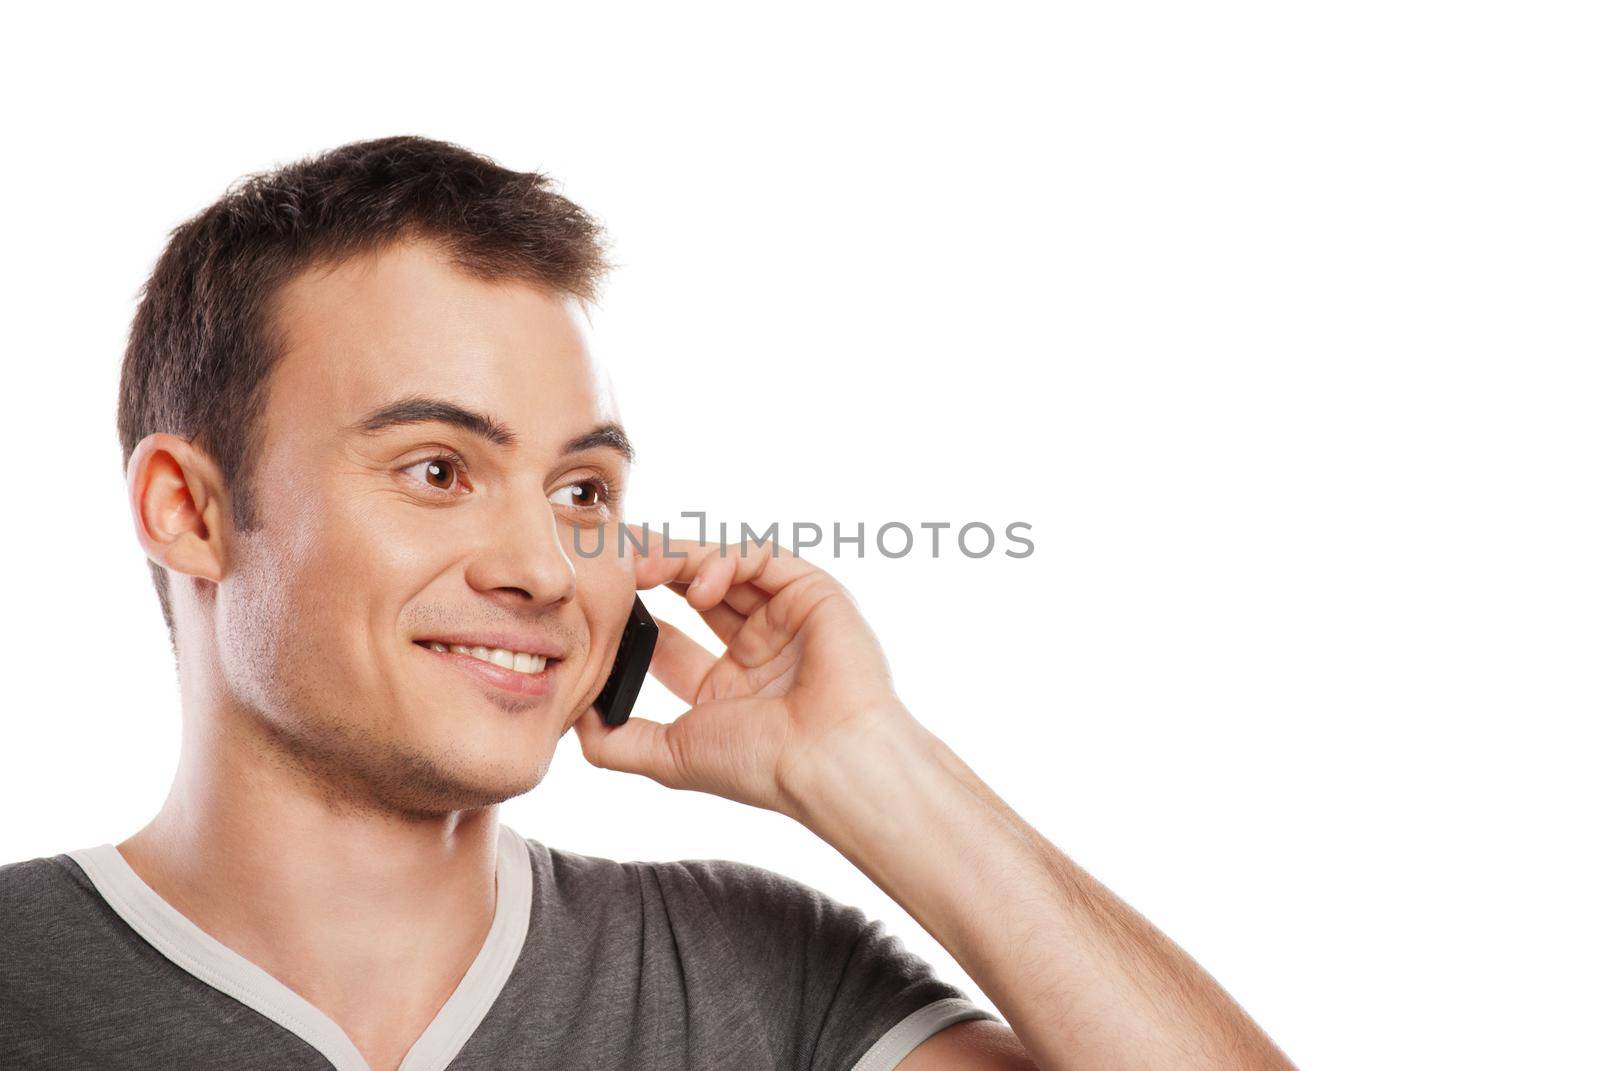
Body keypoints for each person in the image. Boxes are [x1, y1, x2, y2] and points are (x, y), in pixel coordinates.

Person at [0, 136, 1294, 1071]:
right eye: (439, 469)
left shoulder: (754, 980)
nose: (548, 568)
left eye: (581, 488)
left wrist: (865, 765)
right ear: (190, 508)